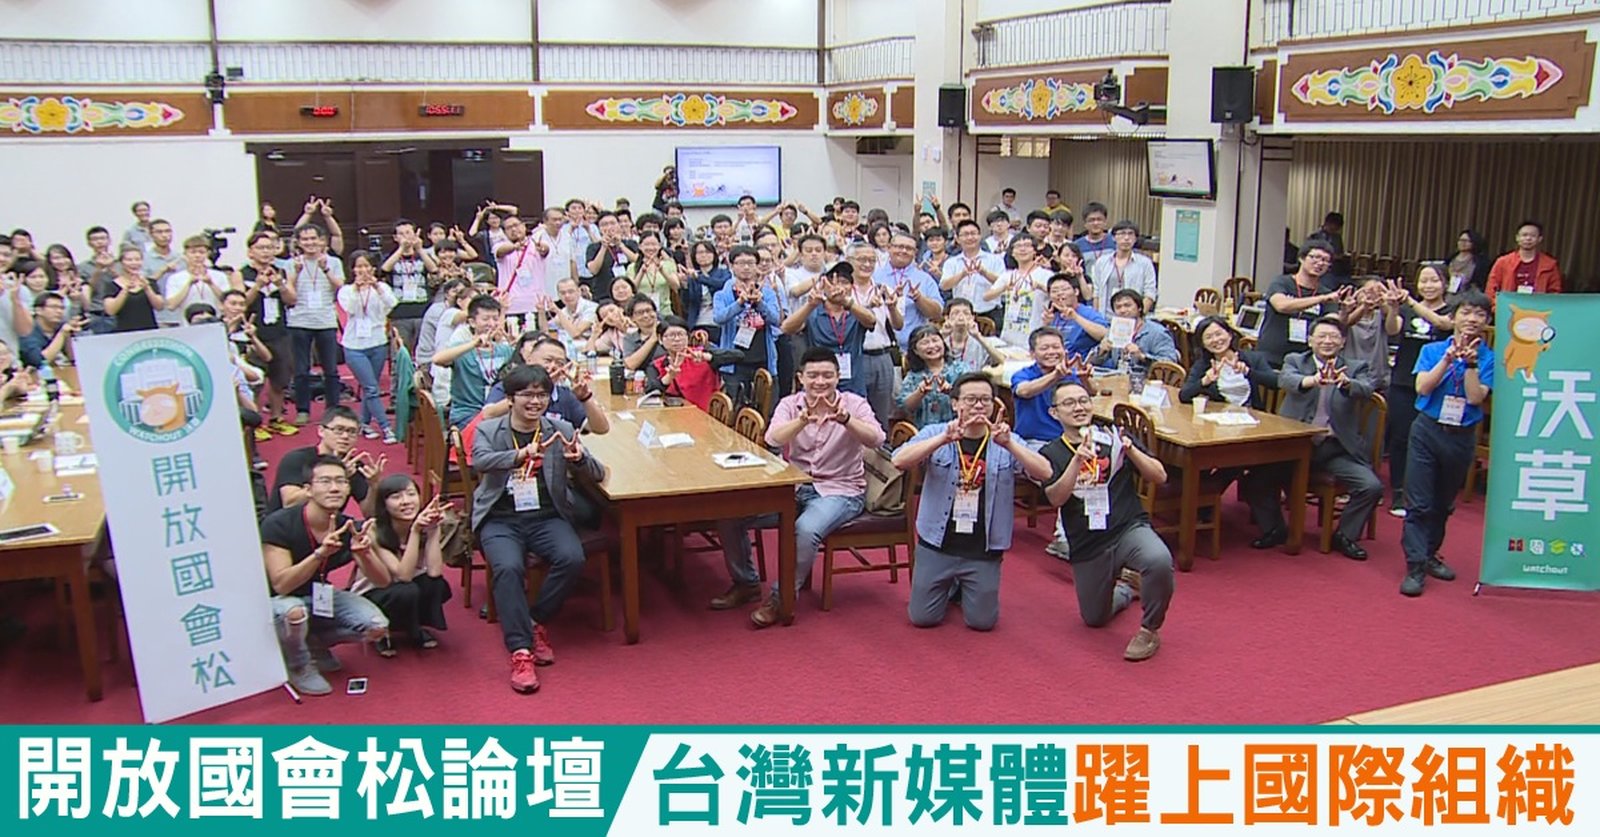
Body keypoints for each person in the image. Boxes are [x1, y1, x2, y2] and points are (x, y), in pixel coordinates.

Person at [713, 349, 884, 625]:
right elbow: (773, 438)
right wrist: (802, 420)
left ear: (838, 377)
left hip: (841, 490)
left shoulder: (854, 404)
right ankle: (746, 583)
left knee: (805, 530)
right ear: (800, 378)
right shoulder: (790, 404)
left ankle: (782, 598)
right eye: (813, 376)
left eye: (827, 375)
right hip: (793, 485)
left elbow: (877, 439)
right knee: (730, 515)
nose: (820, 382)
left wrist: (846, 420)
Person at [470, 363, 608, 693]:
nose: (535, 402)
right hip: (501, 517)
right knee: (507, 568)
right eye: (527, 395)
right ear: (510, 398)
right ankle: (520, 651)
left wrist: (578, 459)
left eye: (542, 395)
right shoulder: (490, 430)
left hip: (547, 515)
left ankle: (535, 621)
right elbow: (481, 461)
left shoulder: (559, 428)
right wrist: (520, 455)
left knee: (572, 558)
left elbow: (598, 472)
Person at [893, 373, 1053, 630]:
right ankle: (951, 585)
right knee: (923, 618)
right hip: (937, 542)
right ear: (955, 403)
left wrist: (1010, 445)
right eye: (971, 399)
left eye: (985, 400)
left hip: (983, 545)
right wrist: (943, 439)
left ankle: (961, 585)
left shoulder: (1005, 439)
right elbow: (899, 460)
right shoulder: (937, 432)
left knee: (982, 622)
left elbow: (1045, 472)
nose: (979, 405)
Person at [1039, 379, 1173, 660]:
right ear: (1054, 412)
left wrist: (1130, 450)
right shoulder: (1050, 452)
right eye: (1069, 403)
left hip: (1127, 528)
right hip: (1089, 543)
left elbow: (1159, 476)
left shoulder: (1113, 437)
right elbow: (1056, 499)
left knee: (1158, 559)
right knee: (1094, 618)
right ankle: (1126, 588)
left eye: (1083, 400)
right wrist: (1076, 461)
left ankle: (1149, 629)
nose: (1078, 407)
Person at [1249, 316, 1383, 559]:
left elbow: (1366, 388)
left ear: (1343, 341)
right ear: (1310, 340)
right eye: (1321, 336)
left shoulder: (1355, 367)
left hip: (1335, 447)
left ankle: (1344, 536)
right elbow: (1286, 380)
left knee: (1371, 487)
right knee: (1255, 480)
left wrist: (1346, 383)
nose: (1327, 341)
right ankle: (1275, 529)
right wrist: (1313, 380)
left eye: (1334, 337)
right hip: (1294, 446)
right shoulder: (1295, 360)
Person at [260, 454, 391, 696]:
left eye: (341, 481)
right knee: (294, 612)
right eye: (325, 481)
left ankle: (314, 643)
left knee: (377, 626)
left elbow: (383, 581)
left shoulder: (348, 526)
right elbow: (281, 585)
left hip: (317, 593)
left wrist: (365, 554)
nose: (335, 488)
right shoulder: (278, 524)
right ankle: (298, 664)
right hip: (276, 600)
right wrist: (320, 554)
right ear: (308, 490)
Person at [1399, 291, 1493, 597]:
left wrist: (1471, 365)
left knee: (1443, 503)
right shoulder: (1432, 349)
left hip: (1462, 435)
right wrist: (1448, 359)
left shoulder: (1489, 358)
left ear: (1487, 321)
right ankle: (1414, 566)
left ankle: (1429, 554)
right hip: (1427, 430)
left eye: (1479, 315)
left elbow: (1476, 397)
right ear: (1453, 317)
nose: (1472, 319)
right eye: (1466, 312)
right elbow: (1423, 387)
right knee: (1419, 502)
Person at [351, 474, 452, 655]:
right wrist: (415, 532)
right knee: (406, 590)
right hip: (373, 592)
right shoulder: (374, 529)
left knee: (437, 585)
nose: (406, 501)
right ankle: (383, 632)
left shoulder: (423, 521)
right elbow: (402, 575)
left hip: (405, 586)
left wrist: (433, 530)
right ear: (384, 504)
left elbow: (435, 572)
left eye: (411, 494)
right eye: (396, 497)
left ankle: (413, 626)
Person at [1384, 265, 1454, 516]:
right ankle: (1400, 492)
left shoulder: (1452, 309)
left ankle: (1431, 490)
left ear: (1445, 284)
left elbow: (1442, 324)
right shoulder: (1407, 308)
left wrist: (1410, 301)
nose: (1428, 285)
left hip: (1438, 381)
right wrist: (1394, 307)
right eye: (1423, 281)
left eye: (1434, 280)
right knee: (1401, 438)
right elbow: (1392, 329)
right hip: (1404, 379)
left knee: (1435, 437)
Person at [782, 261, 878, 398]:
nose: (838, 287)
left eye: (844, 282)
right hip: (819, 385)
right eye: (832, 282)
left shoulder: (856, 311)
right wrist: (810, 305)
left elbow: (871, 320)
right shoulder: (813, 312)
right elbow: (786, 328)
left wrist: (845, 302)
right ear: (822, 284)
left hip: (853, 386)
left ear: (852, 287)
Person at [269, 405, 384, 515]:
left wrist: (374, 486)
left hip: (329, 524)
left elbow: (370, 513)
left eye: (352, 431)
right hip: (287, 525)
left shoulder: (353, 465)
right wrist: (338, 476)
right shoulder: (297, 459)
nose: (345, 436)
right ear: (321, 431)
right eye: (339, 430)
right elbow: (290, 503)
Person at [336, 251, 399, 443]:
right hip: (355, 345)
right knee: (371, 388)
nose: (363, 271)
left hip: (377, 342)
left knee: (369, 386)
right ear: (353, 269)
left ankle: (363, 423)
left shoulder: (382, 287)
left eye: (366, 266)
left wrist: (376, 287)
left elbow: (392, 304)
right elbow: (351, 309)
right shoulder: (346, 290)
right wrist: (357, 289)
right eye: (359, 267)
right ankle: (385, 427)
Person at [286, 224, 345, 426]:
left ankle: (333, 408)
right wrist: (295, 272)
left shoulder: (333, 262)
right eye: (305, 239)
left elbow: (341, 287)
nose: (310, 243)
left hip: (325, 320)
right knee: (301, 370)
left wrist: (325, 269)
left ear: (322, 241)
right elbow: (287, 292)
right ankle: (302, 410)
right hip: (299, 320)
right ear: (299, 242)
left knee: (331, 369)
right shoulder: (291, 263)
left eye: (313, 238)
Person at [239, 231, 296, 432]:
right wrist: (258, 285)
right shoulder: (242, 274)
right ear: (250, 252)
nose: (266, 252)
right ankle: (254, 421)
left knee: (279, 378)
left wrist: (280, 284)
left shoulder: (281, 272)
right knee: (255, 380)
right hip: (253, 333)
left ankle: (276, 417)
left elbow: (292, 300)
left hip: (279, 331)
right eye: (261, 248)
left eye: (269, 247)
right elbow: (241, 303)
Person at [1259, 240, 1349, 367]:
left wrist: (1345, 311)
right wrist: (1321, 299)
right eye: (1315, 257)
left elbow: (1332, 323)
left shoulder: (1327, 293)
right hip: (1272, 354)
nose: (1320, 263)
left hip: (1304, 359)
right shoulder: (1281, 282)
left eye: (1325, 260)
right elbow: (1281, 306)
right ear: (1302, 258)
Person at [712, 245, 782, 404]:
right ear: (732, 266)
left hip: (762, 357)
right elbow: (719, 318)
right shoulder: (722, 294)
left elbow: (776, 319)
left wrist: (760, 303)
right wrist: (739, 303)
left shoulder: (767, 292)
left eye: (750, 263)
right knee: (735, 406)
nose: (746, 267)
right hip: (734, 362)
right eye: (741, 263)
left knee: (766, 407)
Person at [432, 294, 513, 428]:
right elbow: (437, 359)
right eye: (485, 319)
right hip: (468, 415)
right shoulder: (462, 349)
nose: (491, 324)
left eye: (495, 319)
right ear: (472, 322)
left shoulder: (504, 350)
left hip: (498, 414)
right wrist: (473, 344)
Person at [1179, 316, 1279, 409]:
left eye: (1218, 334)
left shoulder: (1253, 358)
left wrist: (1248, 372)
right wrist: (1205, 381)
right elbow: (1184, 395)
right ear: (1203, 344)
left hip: (1250, 413)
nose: (1215, 340)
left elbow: (1276, 383)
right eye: (1208, 337)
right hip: (1219, 414)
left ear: (1230, 335)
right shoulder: (1203, 365)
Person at [646, 316, 740, 410]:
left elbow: (738, 356)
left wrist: (707, 357)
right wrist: (669, 376)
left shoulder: (701, 353)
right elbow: (649, 393)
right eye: (671, 335)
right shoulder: (657, 365)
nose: (677, 339)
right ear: (660, 339)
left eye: (681, 334)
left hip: (706, 413)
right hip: (673, 413)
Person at [1090, 288, 1178, 375]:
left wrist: (1142, 356)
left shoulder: (1157, 332)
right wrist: (1100, 352)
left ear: (1139, 308)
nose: (1122, 310)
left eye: (1127, 305)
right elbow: (1091, 363)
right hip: (1119, 377)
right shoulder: (1114, 330)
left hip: (1148, 379)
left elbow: (1170, 363)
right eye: (1118, 307)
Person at [896, 324, 969, 428]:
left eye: (935, 340)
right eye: (925, 343)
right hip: (925, 431)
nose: (931, 346)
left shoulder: (960, 369)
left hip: (958, 427)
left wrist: (951, 392)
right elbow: (905, 407)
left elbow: (970, 397)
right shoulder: (913, 377)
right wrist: (920, 393)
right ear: (915, 351)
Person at [986, 235, 1053, 348]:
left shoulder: (1046, 275)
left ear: (1034, 251)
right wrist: (1003, 288)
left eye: (1027, 245)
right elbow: (987, 296)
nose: (1022, 249)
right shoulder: (1008, 275)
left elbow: (1058, 297)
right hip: (1009, 334)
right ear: (1012, 253)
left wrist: (1041, 287)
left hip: (1035, 333)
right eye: (1018, 246)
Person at [1338, 278, 1402, 395]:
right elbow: (1342, 324)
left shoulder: (1385, 316)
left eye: (1377, 292)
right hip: (1348, 378)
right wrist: (1363, 307)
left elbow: (1393, 330)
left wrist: (1389, 306)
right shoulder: (1345, 315)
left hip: (1379, 381)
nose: (1372, 296)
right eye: (1367, 292)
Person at [940, 219, 1005, 326]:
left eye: (973, 233)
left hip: (990, 312)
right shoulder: (951, 262)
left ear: (980, 236)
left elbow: (1003, 284)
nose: (970, 237)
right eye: (965, 234)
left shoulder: (995, 260)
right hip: (962, 314)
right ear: (957, 239)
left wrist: (985, 273)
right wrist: (962, 274)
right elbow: (944, 286)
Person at [1486, 220, 1562, 305]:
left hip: (1537, 308)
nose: (1528, 238)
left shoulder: (1550, 264)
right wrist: (1497, 307)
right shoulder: (1503, 262)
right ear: (1517, 238)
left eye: (1533, 235)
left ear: (1539, 239)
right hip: (1507, 307)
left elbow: (1554, 292)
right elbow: (1491, 289)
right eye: (1524, 235)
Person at [1088, 221, 1158, 313]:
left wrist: (1138, 316)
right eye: (1122, 233)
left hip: (1132, 316)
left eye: (1130, 234)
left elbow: (1150, 294)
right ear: (1113, 237)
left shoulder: (1145, 263)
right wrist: (1096, 317)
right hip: (1105, 315)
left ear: (1135, 238)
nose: (1126, 238)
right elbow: (1096, 293)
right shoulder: (1102, 262)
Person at [164, 235, 234, 318]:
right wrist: (189, 284)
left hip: (216, 320)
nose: (197, 256)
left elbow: (228, 301)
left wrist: (211, 284)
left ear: (208, 254)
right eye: (193, 252)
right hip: (187, 322)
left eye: (201, 252)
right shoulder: (175, 278)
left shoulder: (219, 275)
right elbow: (171, 306)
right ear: (185, 254)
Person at [1042, 272, 1109, 357]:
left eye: (1064, 289)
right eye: (1054, 291)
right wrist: (1046, 324)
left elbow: (1105, 334)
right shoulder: (1052, 315)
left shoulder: (1088, 312)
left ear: (1076, 291)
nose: (1059, 293)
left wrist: (1075, 317)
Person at [494, 214, 547, 320]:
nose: (514, 229)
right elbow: (500, 251)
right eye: (509, 228)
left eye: (516, 225)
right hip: (510, 306)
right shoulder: (499, 245)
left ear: (523, 226)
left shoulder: (535, 244)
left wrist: (544, 248)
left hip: (535, 304)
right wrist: (515, 247)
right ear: (504, 232)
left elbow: (545, 250)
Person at [99, 244, 163, 332]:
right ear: (121, 262)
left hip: (149, 330)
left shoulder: (150, 282)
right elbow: (110, 310)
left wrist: (147, 288)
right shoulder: (111, 285)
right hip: (124, 331)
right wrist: (125, 290)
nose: (134, 263)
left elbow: (159, 306)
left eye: (137, 259)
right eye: (129, 260)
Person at [682, 240, 730, 344]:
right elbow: (687, 303)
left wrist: (699, 278)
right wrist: (684, 286)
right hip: (697, 323)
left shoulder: (723, 273)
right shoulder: (691, 277)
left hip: (717, 323)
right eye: (700, 253)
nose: (704, 255)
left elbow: (720, 285)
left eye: (707, 252)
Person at [19, 292, 82, 369]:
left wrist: (69, 335)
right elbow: (39, 362)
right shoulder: (27, 330)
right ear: (38, 310)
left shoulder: (62, 326)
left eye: (62, 308)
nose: (59, 311)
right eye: (54, 307)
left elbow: (75, 359)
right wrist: (62, 334)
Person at [942, 298, 1004, 370]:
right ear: (947, 318)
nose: (961, 317)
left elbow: (1001, 361)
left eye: (966, 313)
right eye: (956, 313)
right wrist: (942, 335)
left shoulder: (979, 342)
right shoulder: (942, 340)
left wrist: (978, 336)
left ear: (972, 317)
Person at [1445, 228, 1491, 295]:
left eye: (1466, 241)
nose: (1462, 243)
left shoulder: (1481, 262)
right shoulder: (1450, 258)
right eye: (1460, 240)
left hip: (1470, 295)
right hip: (1448, 293)